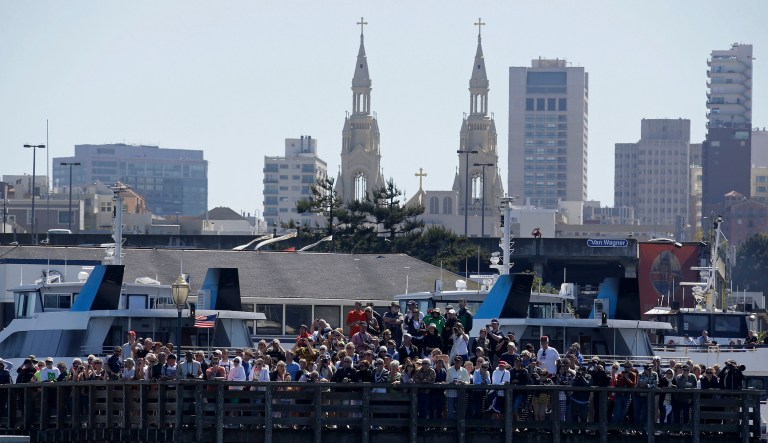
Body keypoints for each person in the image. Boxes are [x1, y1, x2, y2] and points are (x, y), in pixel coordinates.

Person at [633, 363, 658, 429]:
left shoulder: (654, 374)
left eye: (650, 369)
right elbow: (639, 384)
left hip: (648, 397)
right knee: (637, 413)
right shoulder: (640, 374)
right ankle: (637, 429)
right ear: (644, 369)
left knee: (644, 414)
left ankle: (644, 430)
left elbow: (655, 385)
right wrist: (643, 385)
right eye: (647, 369)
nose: (649, 370)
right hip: (639, 396)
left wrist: (647, 385)